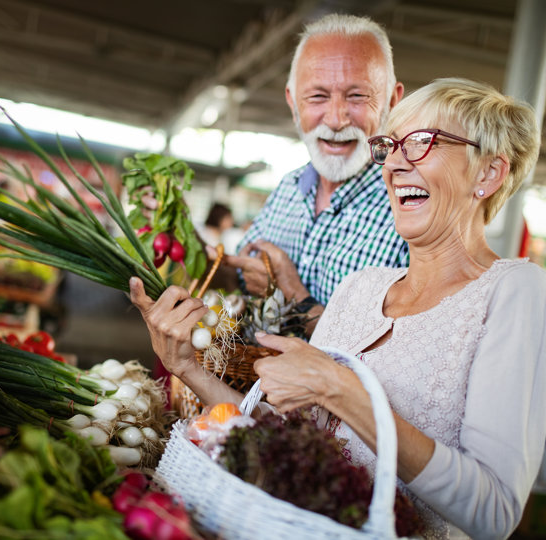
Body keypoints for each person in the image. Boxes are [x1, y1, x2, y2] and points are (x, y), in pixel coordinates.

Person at [129, 78, 546, 539]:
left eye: (423, 142)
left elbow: (495, 514)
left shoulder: (514, 291)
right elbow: (287, 443)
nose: (396, 165)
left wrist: (340, 390)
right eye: (390, 146)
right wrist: (188, 368)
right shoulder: (359, 289)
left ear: (488, 173)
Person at [222, 14, 409, 329]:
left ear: (392, 100)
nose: (336, 119)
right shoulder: (289, 187)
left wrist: (292, 291)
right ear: (293, 102)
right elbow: (240, 280)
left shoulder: (410, 206)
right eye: (318, 96)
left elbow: (395, 352)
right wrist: (187, 249)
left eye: (357, 96)